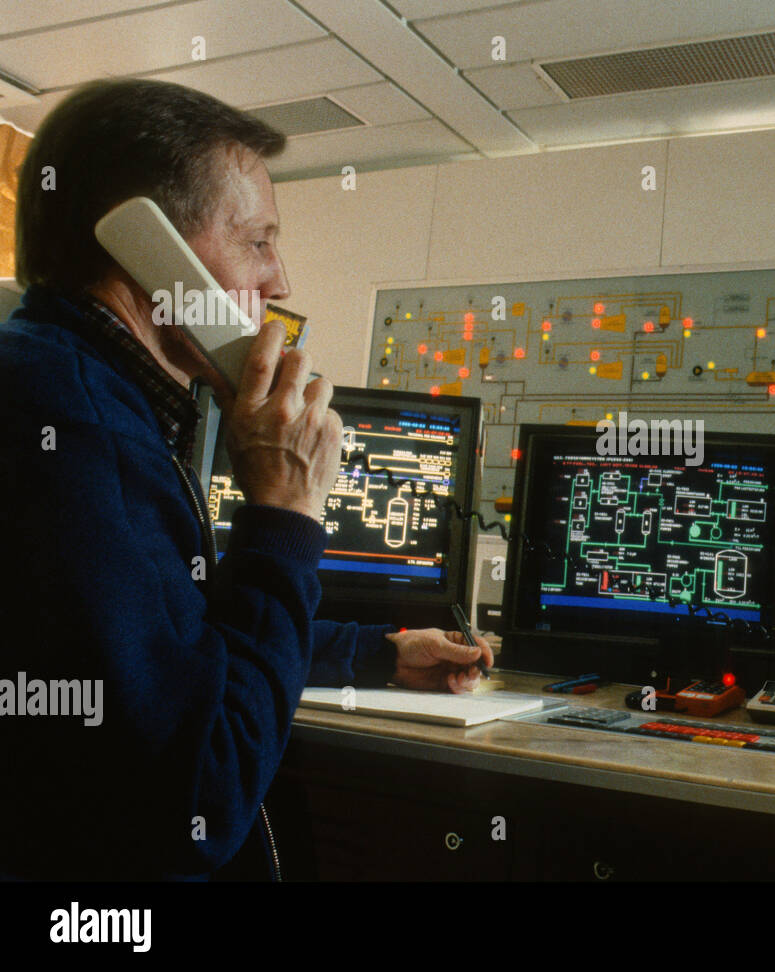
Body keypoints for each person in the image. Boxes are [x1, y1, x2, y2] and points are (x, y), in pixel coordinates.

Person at [0, 78, 491, 880]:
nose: (281, 280)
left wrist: (376, 653)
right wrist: (287, 511)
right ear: (143, 243)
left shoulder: (70, 385)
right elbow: (198, 806)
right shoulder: (79, 430)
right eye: (258, 241)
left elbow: (174, 638)